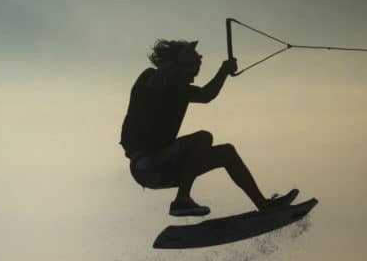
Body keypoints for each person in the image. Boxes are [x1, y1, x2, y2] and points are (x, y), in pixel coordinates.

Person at [120, 39, 297, 216]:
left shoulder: (182, 90)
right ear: (178, 65)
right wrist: (180, 60)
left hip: (165, 167)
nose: (193, 78)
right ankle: (182, 200)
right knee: (203, 138)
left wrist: (224, 70)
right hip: (145, 166)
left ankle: (264, 206)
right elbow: (161, 79)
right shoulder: (150, 78)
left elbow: (207, 95)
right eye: (192, 72)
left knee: (227, 153)